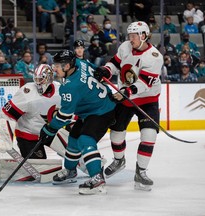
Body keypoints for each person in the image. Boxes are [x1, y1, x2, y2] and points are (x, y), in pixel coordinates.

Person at [93, 21, 163, 191]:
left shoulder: (154, 57)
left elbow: (144, 83)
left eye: (134, 36)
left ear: (144, 36)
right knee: (116, 133)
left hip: (147, 100)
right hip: (125, 97)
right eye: (129, 36)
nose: (130, 39)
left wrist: (128, 91)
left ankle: (141, 171)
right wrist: (106, 70)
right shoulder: (125, 47)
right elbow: (115, 64)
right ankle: (119, 161)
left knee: (149, 135)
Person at [39, 50, 116, 195]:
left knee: (85, 140)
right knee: (73, 140)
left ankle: (97, 179)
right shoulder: (80, 62)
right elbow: (98, 70)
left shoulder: (69, 86)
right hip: (93, 108)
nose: (54, 68)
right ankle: (70, 170)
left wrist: (50, 129)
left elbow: (65, 117)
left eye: (57, 65)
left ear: (67, 66)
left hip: (102, 111)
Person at [0, 64, 63, 183]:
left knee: (73, 149)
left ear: (49, 78)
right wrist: (4, 137)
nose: (38, 82)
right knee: (35, 170)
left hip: (50, 131)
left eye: (41, 79)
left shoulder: (60, 89)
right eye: (36, 79)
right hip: (28, 135)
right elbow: (7, 114)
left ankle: (90, 164)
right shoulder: (27, 92)